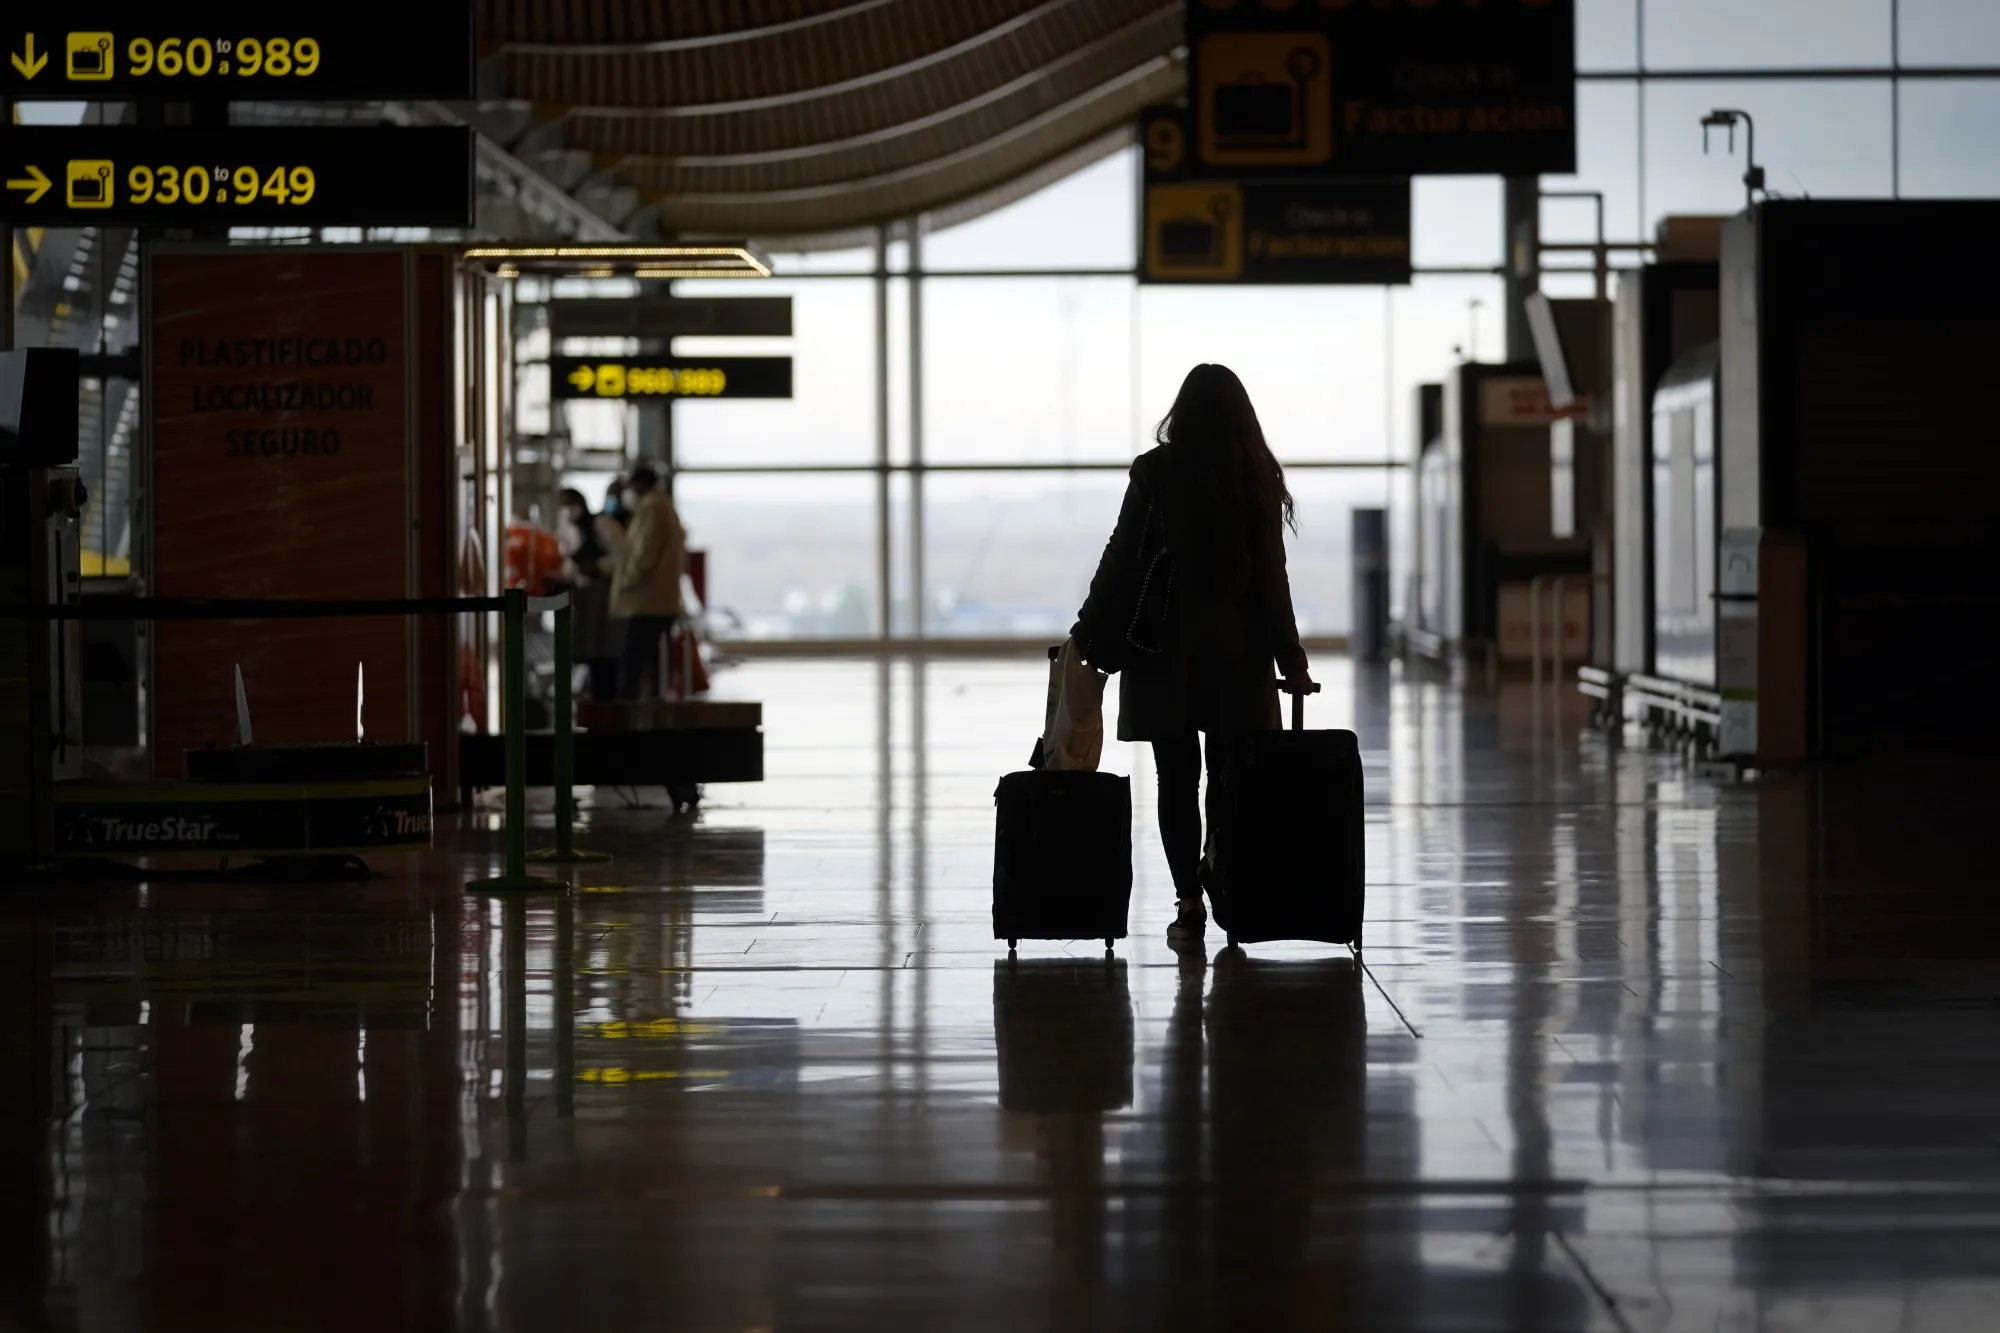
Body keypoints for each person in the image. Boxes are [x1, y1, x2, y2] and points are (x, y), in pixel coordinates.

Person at [1073, 364, 1312, 941]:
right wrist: (1291, 658)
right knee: (1229, 777)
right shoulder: (1254, 477)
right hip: (1239, 655)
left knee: (1175, 780)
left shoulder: (1155, 473)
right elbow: (1271, 581)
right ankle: (1222, 877)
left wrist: (1087, 629)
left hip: (1163, 651)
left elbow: (1122, 556)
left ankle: (1188, 903)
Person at [610, 464, 687, 701]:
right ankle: (650, 709)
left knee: (634, 662)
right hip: (658, 599)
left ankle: (628, 716)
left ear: (639, 484)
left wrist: (625, 580)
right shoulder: (663, 506)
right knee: (651, 662)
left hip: (644, 601)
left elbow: (643, 555)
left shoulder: (652, 508)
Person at [555, 487, 626, 700]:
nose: (568, 510)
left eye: (571, 503)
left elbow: (623, 557)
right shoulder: (568, 530)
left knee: (607, 651)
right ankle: (597, 698)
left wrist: (596, 567)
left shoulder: (602, 525)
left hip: (606, 596)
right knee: (590, 652)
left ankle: (609, 700)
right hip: (583, 599)